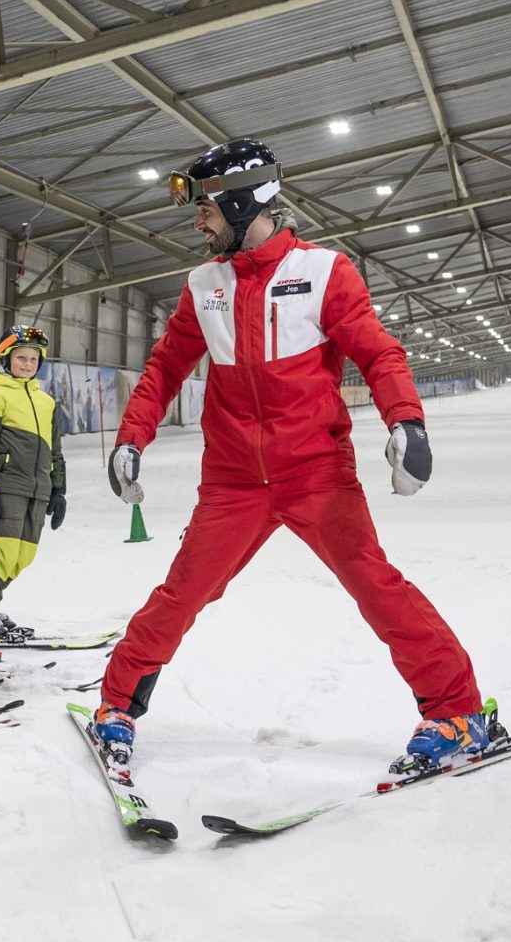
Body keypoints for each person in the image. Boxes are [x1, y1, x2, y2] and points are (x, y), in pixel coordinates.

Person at [93, 138, 490, 779]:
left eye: (207, 208)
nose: (198, 220)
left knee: (376, 586)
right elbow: (167, 366)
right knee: (183, 593)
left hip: (315, 472)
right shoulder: (204, 284)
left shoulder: (326, 273)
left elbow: (379, 352)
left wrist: (406, 422)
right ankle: (116, 705)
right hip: (233, 482)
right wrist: (132, 435)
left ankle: (459, 713)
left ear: (246, 201)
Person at [0, 326, 67, 638]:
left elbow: (55, 449)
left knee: (23, 555)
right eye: (20, 358)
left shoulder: (46, 402)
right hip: (9, 485)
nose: (27, 364)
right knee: (4, 552)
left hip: (38, 489)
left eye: (32, 359)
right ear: (6, 359)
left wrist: (58, 490)